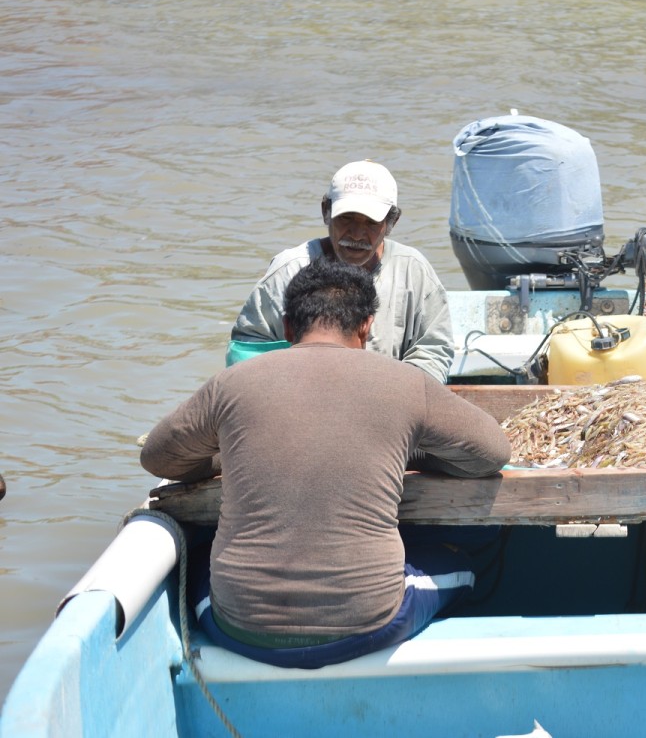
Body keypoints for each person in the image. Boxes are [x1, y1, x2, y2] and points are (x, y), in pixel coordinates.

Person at [141, 259, 511, 668]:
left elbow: (158, 457)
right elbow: (491, 453)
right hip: (368, 626)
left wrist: (222, 457)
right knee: (461, 566)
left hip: (238, 629)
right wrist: (413, 451)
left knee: (200, 560)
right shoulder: (406, 382)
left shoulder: (231, 383)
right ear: (367, 327)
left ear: (286, 327)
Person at [229, 160, 455, 382]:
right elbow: (247, 349)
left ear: (391, 222)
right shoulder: (287, 271)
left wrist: (397, 393)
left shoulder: (413, 270)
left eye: (371, 222)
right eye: (346, 218)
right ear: (326, 211)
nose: (356, 234)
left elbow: (433, 349)